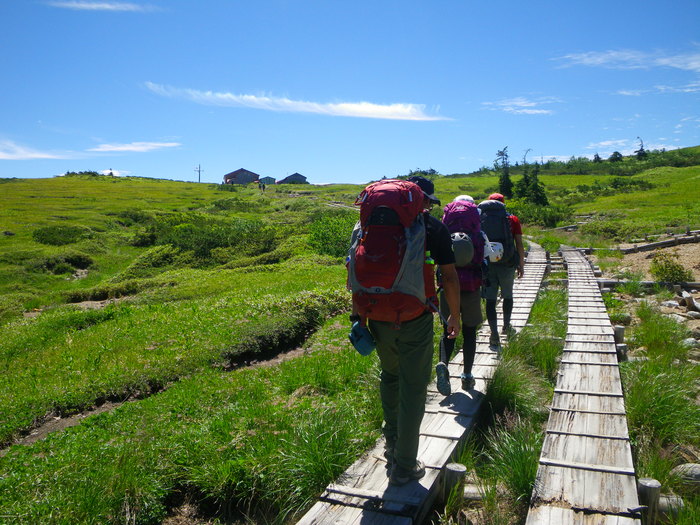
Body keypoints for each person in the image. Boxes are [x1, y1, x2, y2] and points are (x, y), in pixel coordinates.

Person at [350, 175, 460, 486]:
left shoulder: (365, 226)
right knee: (413, 387)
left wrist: (357, 318)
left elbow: (354, 271)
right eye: (426, 200)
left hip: (377, 315)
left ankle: (392, 445)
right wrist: (454, 317)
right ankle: (405, 465)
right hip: (415, 316)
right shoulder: (431, 227)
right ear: (418, 199)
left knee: (391, 376)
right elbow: (449, 278)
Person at [435, 196, 487, 395]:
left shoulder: (444, 230)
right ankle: (466, 376)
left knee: (448, 330)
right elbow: (482, 256)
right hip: (472, 286)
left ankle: (443, 364)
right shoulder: (477, 232)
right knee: (470, 331)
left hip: (448, 287)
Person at [478, 193, 525, 348]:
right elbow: (519, 243)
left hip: (488, 264)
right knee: (507, 295)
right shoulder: (512, 219)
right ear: (503, 204)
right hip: (507, 263)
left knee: (490, 299)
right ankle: (506, 325)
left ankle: (494, 334)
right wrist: (521, 264)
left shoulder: (480, 218)